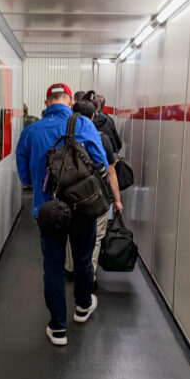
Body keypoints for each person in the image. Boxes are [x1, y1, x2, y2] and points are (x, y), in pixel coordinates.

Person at [16, 83, 109, 347]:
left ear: (46, 103)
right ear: (69, 102)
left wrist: (42, 186)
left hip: (48, 210)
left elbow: (25, 175)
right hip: (83, 208)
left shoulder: (30, 131)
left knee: (53, 267)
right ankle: (82, 307)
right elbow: (101, 163)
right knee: (82, 260)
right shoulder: (84, 125)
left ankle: (58, 328)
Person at [64, 100, 123, 281]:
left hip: (70, 193)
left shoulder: (64, 135)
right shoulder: (102, 139)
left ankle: (70, 267)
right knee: (96, 235)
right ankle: (89, 274)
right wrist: (117, 200)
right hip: (95, 196)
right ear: (92, 116)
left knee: (71, 232)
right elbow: (110, 171)